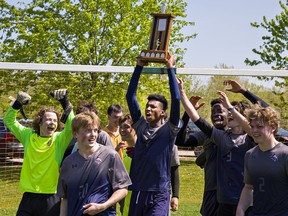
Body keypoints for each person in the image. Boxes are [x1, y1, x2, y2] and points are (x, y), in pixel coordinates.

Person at [126, 54, 181, 216]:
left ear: (163, 112)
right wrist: (139, 67)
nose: (148, 109)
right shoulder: (141, 125)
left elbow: (176, 99)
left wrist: (171, 69)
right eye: (147, 106)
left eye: (153, 107)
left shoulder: (169, 130)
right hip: (139, 190)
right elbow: (130, 96)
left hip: (159, 193)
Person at [4, 89, 74, 216]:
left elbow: (71, 125)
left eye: (55, 120)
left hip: (51, 197)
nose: (52, 122)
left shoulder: (59, 139)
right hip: (29, 196)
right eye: (48, 119)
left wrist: (65, 103)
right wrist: (17, 104)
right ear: (40, 121)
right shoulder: (28, 136)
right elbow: (9, 120)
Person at [218, 91, 288, 216]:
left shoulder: (285, 154)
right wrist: (240, 209)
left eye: (259, 126)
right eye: (252, 126)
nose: (254, 130)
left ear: (273, 127)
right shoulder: (250, 155)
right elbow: (249, 187)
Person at [57, 111, 132, 216]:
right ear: (75, 133)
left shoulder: (110, 155)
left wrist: (103, 206)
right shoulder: (68, 162)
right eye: (88, 130)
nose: (93, 135)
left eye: (95, 130)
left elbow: (123, 189)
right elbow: (65, 198)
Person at [118, 114, 181, 215]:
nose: (122, 130)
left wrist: (175, 195)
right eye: (120, 127)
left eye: (126, 126)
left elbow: (173, 170)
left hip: (151, 199)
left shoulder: (151, 149)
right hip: (129, 205)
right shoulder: (125, 152)